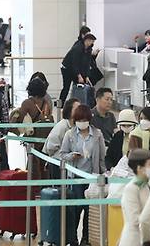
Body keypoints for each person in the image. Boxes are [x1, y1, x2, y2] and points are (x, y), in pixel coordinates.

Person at [59, 104, 106, 246]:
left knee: (89, 209)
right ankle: (72, 238)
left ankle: (86, 238)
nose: (82, 122)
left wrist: (103, 174)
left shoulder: (97, 134)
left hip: (92, 177)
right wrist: (71, 156)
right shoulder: (70, 134)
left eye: (84, 119)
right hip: (76, 177)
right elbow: (62, 154)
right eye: (79, 119)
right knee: (75, 209)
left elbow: (102, 156)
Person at [119, 149, 150, 246]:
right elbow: (134, 219)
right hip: (134, 240)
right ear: (139, 168)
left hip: (149, 238)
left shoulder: (149, 185)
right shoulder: (131, 188)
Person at [15, 78, 54, 180]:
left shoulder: (27, 103)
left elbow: (21, 119)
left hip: (33, 135)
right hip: (46, 135)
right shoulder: (47, 103)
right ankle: (45, 185)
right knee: (43, 162)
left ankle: (33, 186)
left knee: (33, 162)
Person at [43, 98, 80, 178]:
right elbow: (50, 147)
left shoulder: (77, 126)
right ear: (69, 111)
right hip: (58, 163)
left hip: (70, 163)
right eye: (76, 109)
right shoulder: (61, 126)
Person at [60, 33, 97, 104]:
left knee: (81, 85)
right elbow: (75, 63)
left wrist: (87, 76)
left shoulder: (89, 49)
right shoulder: (77, 48)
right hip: (67, 69)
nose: (92, 43)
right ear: (87, 40)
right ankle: (61, 105)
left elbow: (87, 64)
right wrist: (79, 76)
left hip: (75, 69)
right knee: (66, 87)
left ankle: (79, 103)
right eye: (91, 41)